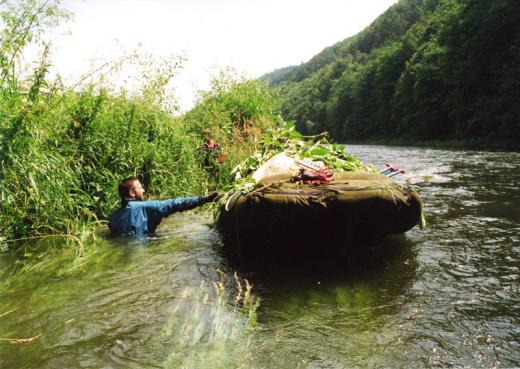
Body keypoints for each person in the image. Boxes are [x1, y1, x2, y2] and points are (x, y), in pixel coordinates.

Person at [108, 177, 219, 236]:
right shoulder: (144, 207)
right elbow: (174, 204)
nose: (143, 190)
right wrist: (203, 200)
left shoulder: (111, 218)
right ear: (132, 193)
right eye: (140, 188)